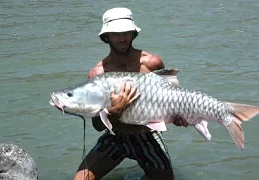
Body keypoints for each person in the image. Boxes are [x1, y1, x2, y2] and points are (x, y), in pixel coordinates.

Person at [73, 7, 188, 180]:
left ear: (133, 33)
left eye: (127, 32)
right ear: (106, 36)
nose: (122, 38)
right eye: (116, 33)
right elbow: (98, 126)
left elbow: (172, 97)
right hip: (115, 137)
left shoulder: (152, 63)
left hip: (147, 135)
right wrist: (114, 112)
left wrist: (179, 116)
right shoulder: (97, 74)